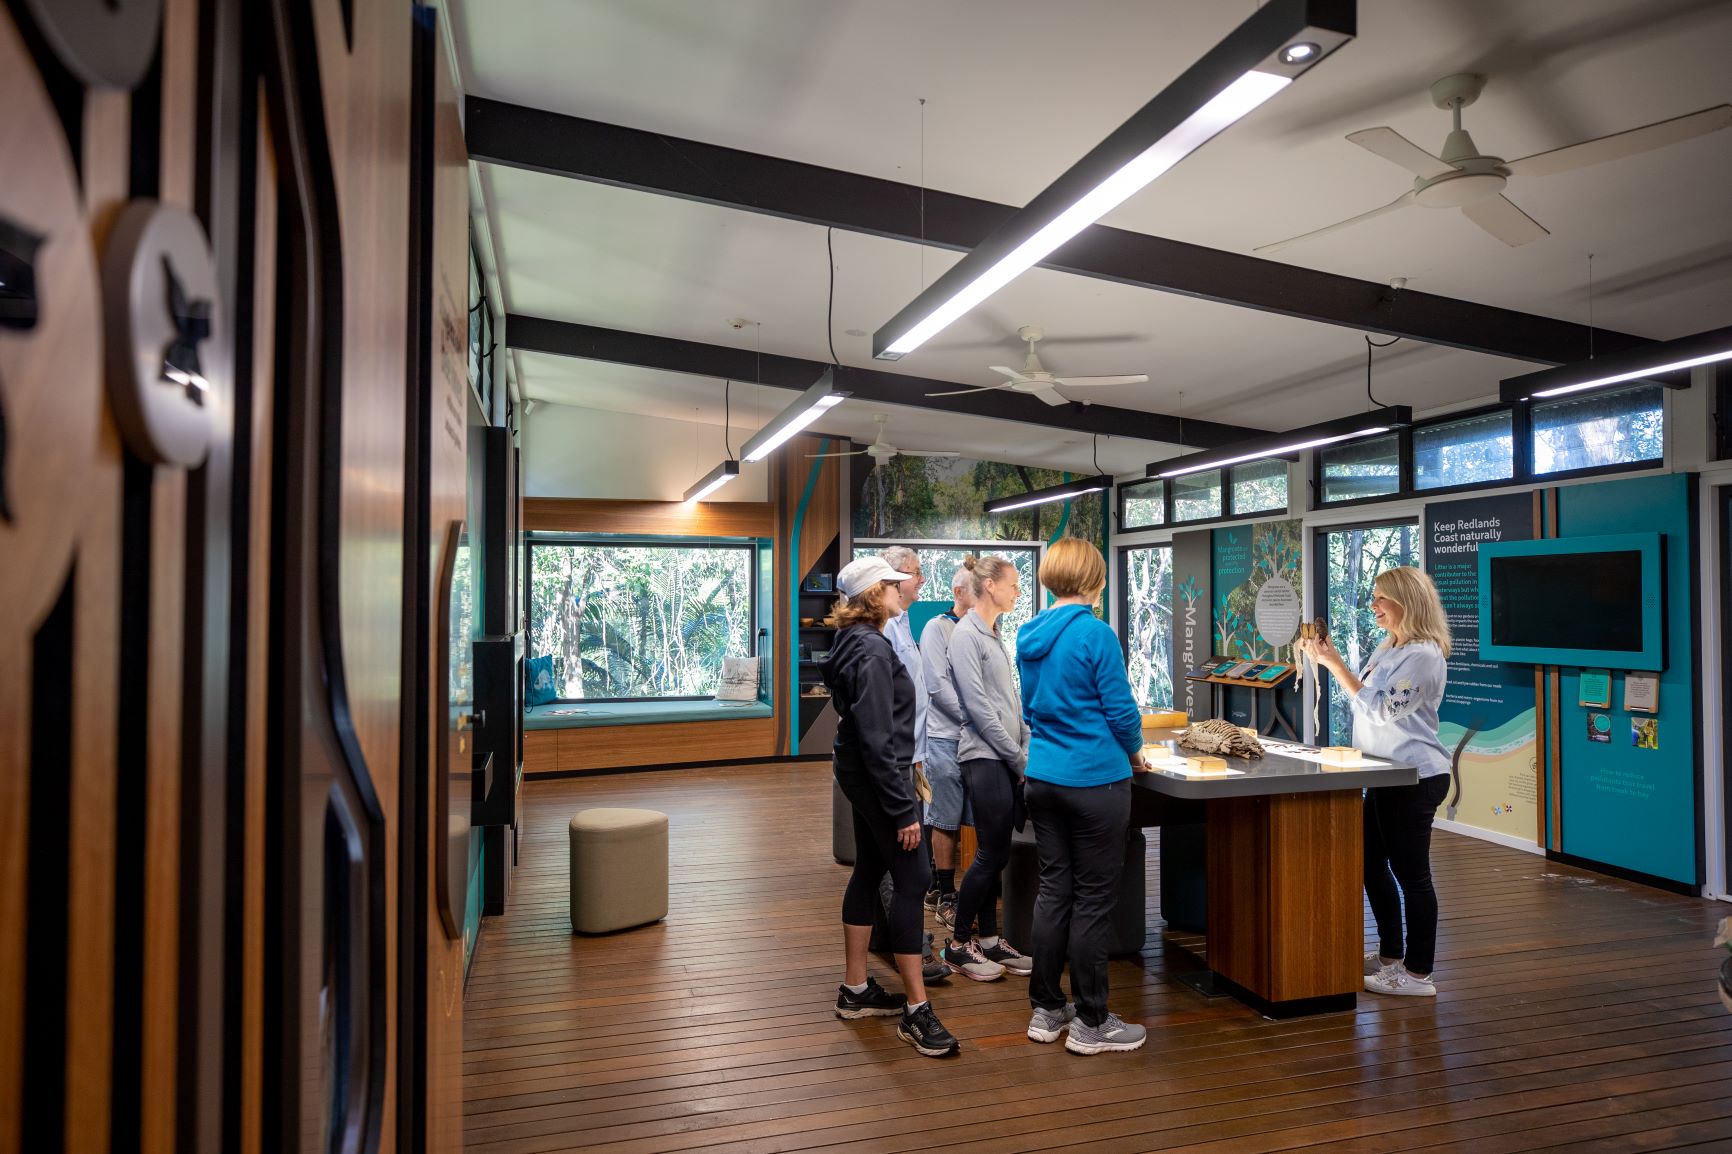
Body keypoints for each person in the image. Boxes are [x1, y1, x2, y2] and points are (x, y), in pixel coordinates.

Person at [1015, 537, 1151, 1054]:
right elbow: (1120, 711)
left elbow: (1029, 709)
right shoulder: (1096, 635)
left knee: (1055, 892)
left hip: (1043, 778)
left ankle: (1048, 1011)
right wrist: (1135, 754)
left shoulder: (1030, 634)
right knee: (1093, 901)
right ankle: (1092, 1023)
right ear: (1095, 580)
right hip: (1096, 781)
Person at [822, 555, 960, 1056]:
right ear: (875, 594)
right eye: (895, 584)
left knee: (868, 871)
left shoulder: (854, 642)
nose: (904, 589)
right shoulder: (874, 651)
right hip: (884, 782)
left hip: (862, 778)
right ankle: (917, 1009)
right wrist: (903, 809)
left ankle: (856, 990)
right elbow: (879, 739)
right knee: (913, 880)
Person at [1299, 565, 1454, 998]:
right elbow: (1368, 700)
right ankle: (1390, 955)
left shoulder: (1424, 655)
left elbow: (1384, 709)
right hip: (1384, 774)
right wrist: (1330, 661)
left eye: (1381, 599)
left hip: (1416, 777)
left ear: (1406, 603)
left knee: (1413, 876)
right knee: (1369, 863)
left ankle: (1418, 973)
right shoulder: (1389, 647)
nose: (1374, 607)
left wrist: (1334, 664)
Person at [940, 556, 1032, 981]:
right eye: (1013, 584)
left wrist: (1025, 738)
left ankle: (992, 942)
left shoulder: (993, 634)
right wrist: (1017, 758)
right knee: (991, 852)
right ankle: (958, 944)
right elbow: (977, 709)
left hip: (1005, 755)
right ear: (990, 585)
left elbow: (1006, 703)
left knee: (998, 853)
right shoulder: (965, 635)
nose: (1017, 591)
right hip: (983, 756)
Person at [873, 546, 948, 987]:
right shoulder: (882, 630)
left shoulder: (903, 622)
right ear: (895, 577)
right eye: (917, 573)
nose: (922, 581)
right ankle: (911, 948)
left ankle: (898, 939)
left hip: (912, 757)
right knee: (902, 863)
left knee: (896, 861)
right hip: (896, 760)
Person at [918, 562, 975, 924]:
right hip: (943, 738)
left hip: (976, 740)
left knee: (967, 817)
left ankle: (957, 889)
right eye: (976, 589)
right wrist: (977, 719)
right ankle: (944, 893)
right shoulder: (936, 629)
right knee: (945, 819)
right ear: (958, 592)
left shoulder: (985, 629)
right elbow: (938, 687)